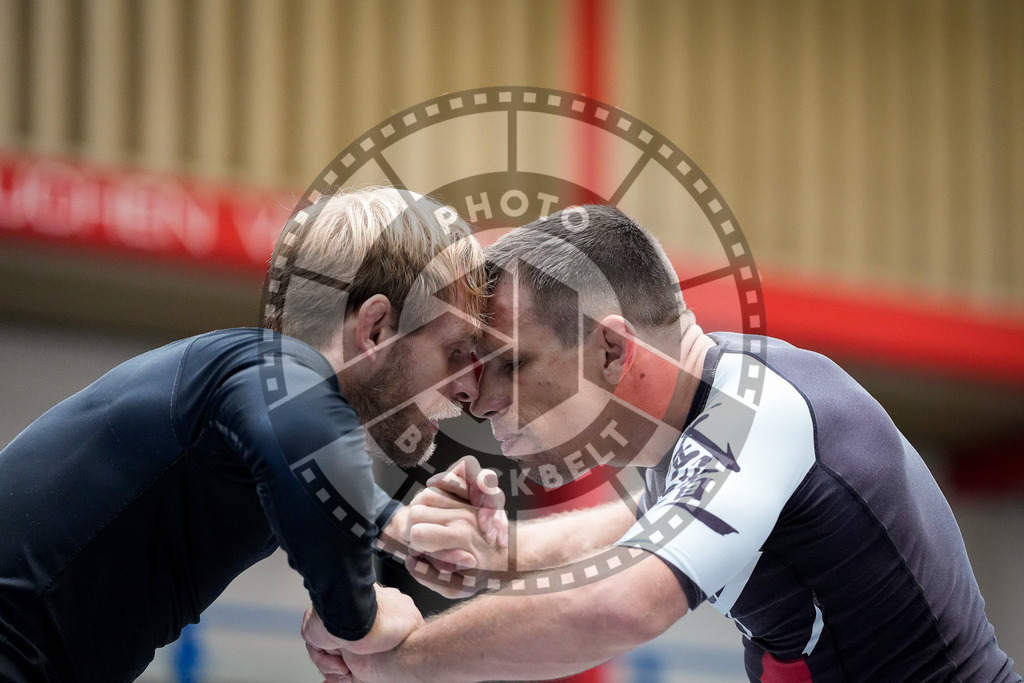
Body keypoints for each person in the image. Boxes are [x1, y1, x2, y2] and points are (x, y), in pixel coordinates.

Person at [310, 205, 1021, 682]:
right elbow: (639, 523)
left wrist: (400, 661)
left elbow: (622, 605)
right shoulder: (703, 404)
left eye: (514, 364)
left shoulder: (755, 413)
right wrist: (503, 552)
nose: (482, 396)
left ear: (614, 350)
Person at [0, 186, 498, 682]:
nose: (467, 390)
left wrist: (354, 604)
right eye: (455, 350)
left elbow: (310, 485)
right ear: (375, 329)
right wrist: (391, 553)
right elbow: (303, 434)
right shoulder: (269, 365)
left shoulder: (261, 423)